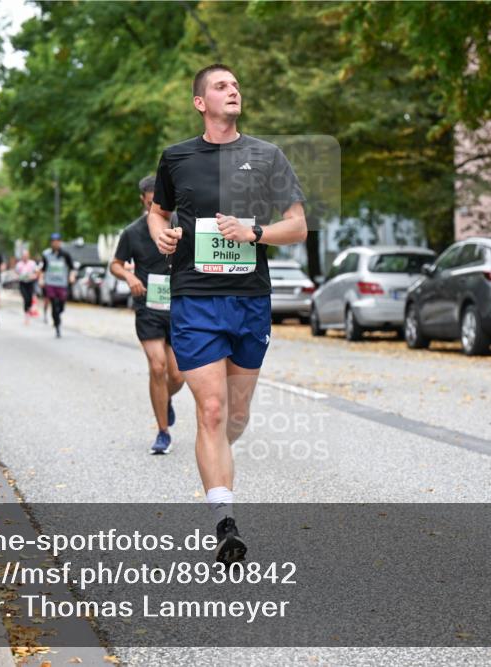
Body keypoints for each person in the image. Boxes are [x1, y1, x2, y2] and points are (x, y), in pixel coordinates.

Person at [148, 64, 307, 565]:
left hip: (249, 300)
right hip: (194, 297)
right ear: (200, 102)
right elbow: (159, 212)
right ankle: (225, 522)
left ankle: (214, 449)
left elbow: (298, 227)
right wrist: (162, 233)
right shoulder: (176, 158)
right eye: (221, 86)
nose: (233, 90)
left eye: (237, 84)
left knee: (234, 416)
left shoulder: (267, 156)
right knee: (212, 410)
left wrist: (254, 232)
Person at [112, 175, 185, 454]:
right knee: (157, 367)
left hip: (178, 306)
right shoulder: (132, 232)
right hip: (148, 307)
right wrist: (128, 277)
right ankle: (163, 432)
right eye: (152, 201)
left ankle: (163, 399)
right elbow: (115, 264)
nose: (159, 206)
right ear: (144, 200)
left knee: (177, 375)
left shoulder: (182, 224)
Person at [37, 233, 75, 338]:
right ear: (51, 243)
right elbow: (43, 269)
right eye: (53, 242)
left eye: (57, 241)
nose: (55, 243)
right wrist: (41, 279)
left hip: (62, 284)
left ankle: (57, 317)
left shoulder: (65, 255)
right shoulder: (47, 255)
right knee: (54, 303)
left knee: (61, 306)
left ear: (60, 242)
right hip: (50, 283)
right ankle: (57, 326)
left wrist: (71, 276)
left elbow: (72, 268)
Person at [15, 249, 38, 325]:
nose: (25, 257)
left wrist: (33, 276)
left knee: (30, 299)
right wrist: (18, 277)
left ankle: (29, 310)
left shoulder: (32, 263)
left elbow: (36, 273)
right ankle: (26, 316)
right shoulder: (19, 264)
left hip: (30, 283)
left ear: (28, 256)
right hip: (22, 283)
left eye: (26, 255)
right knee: (26, 298)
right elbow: (16, 273)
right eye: (24, 256)